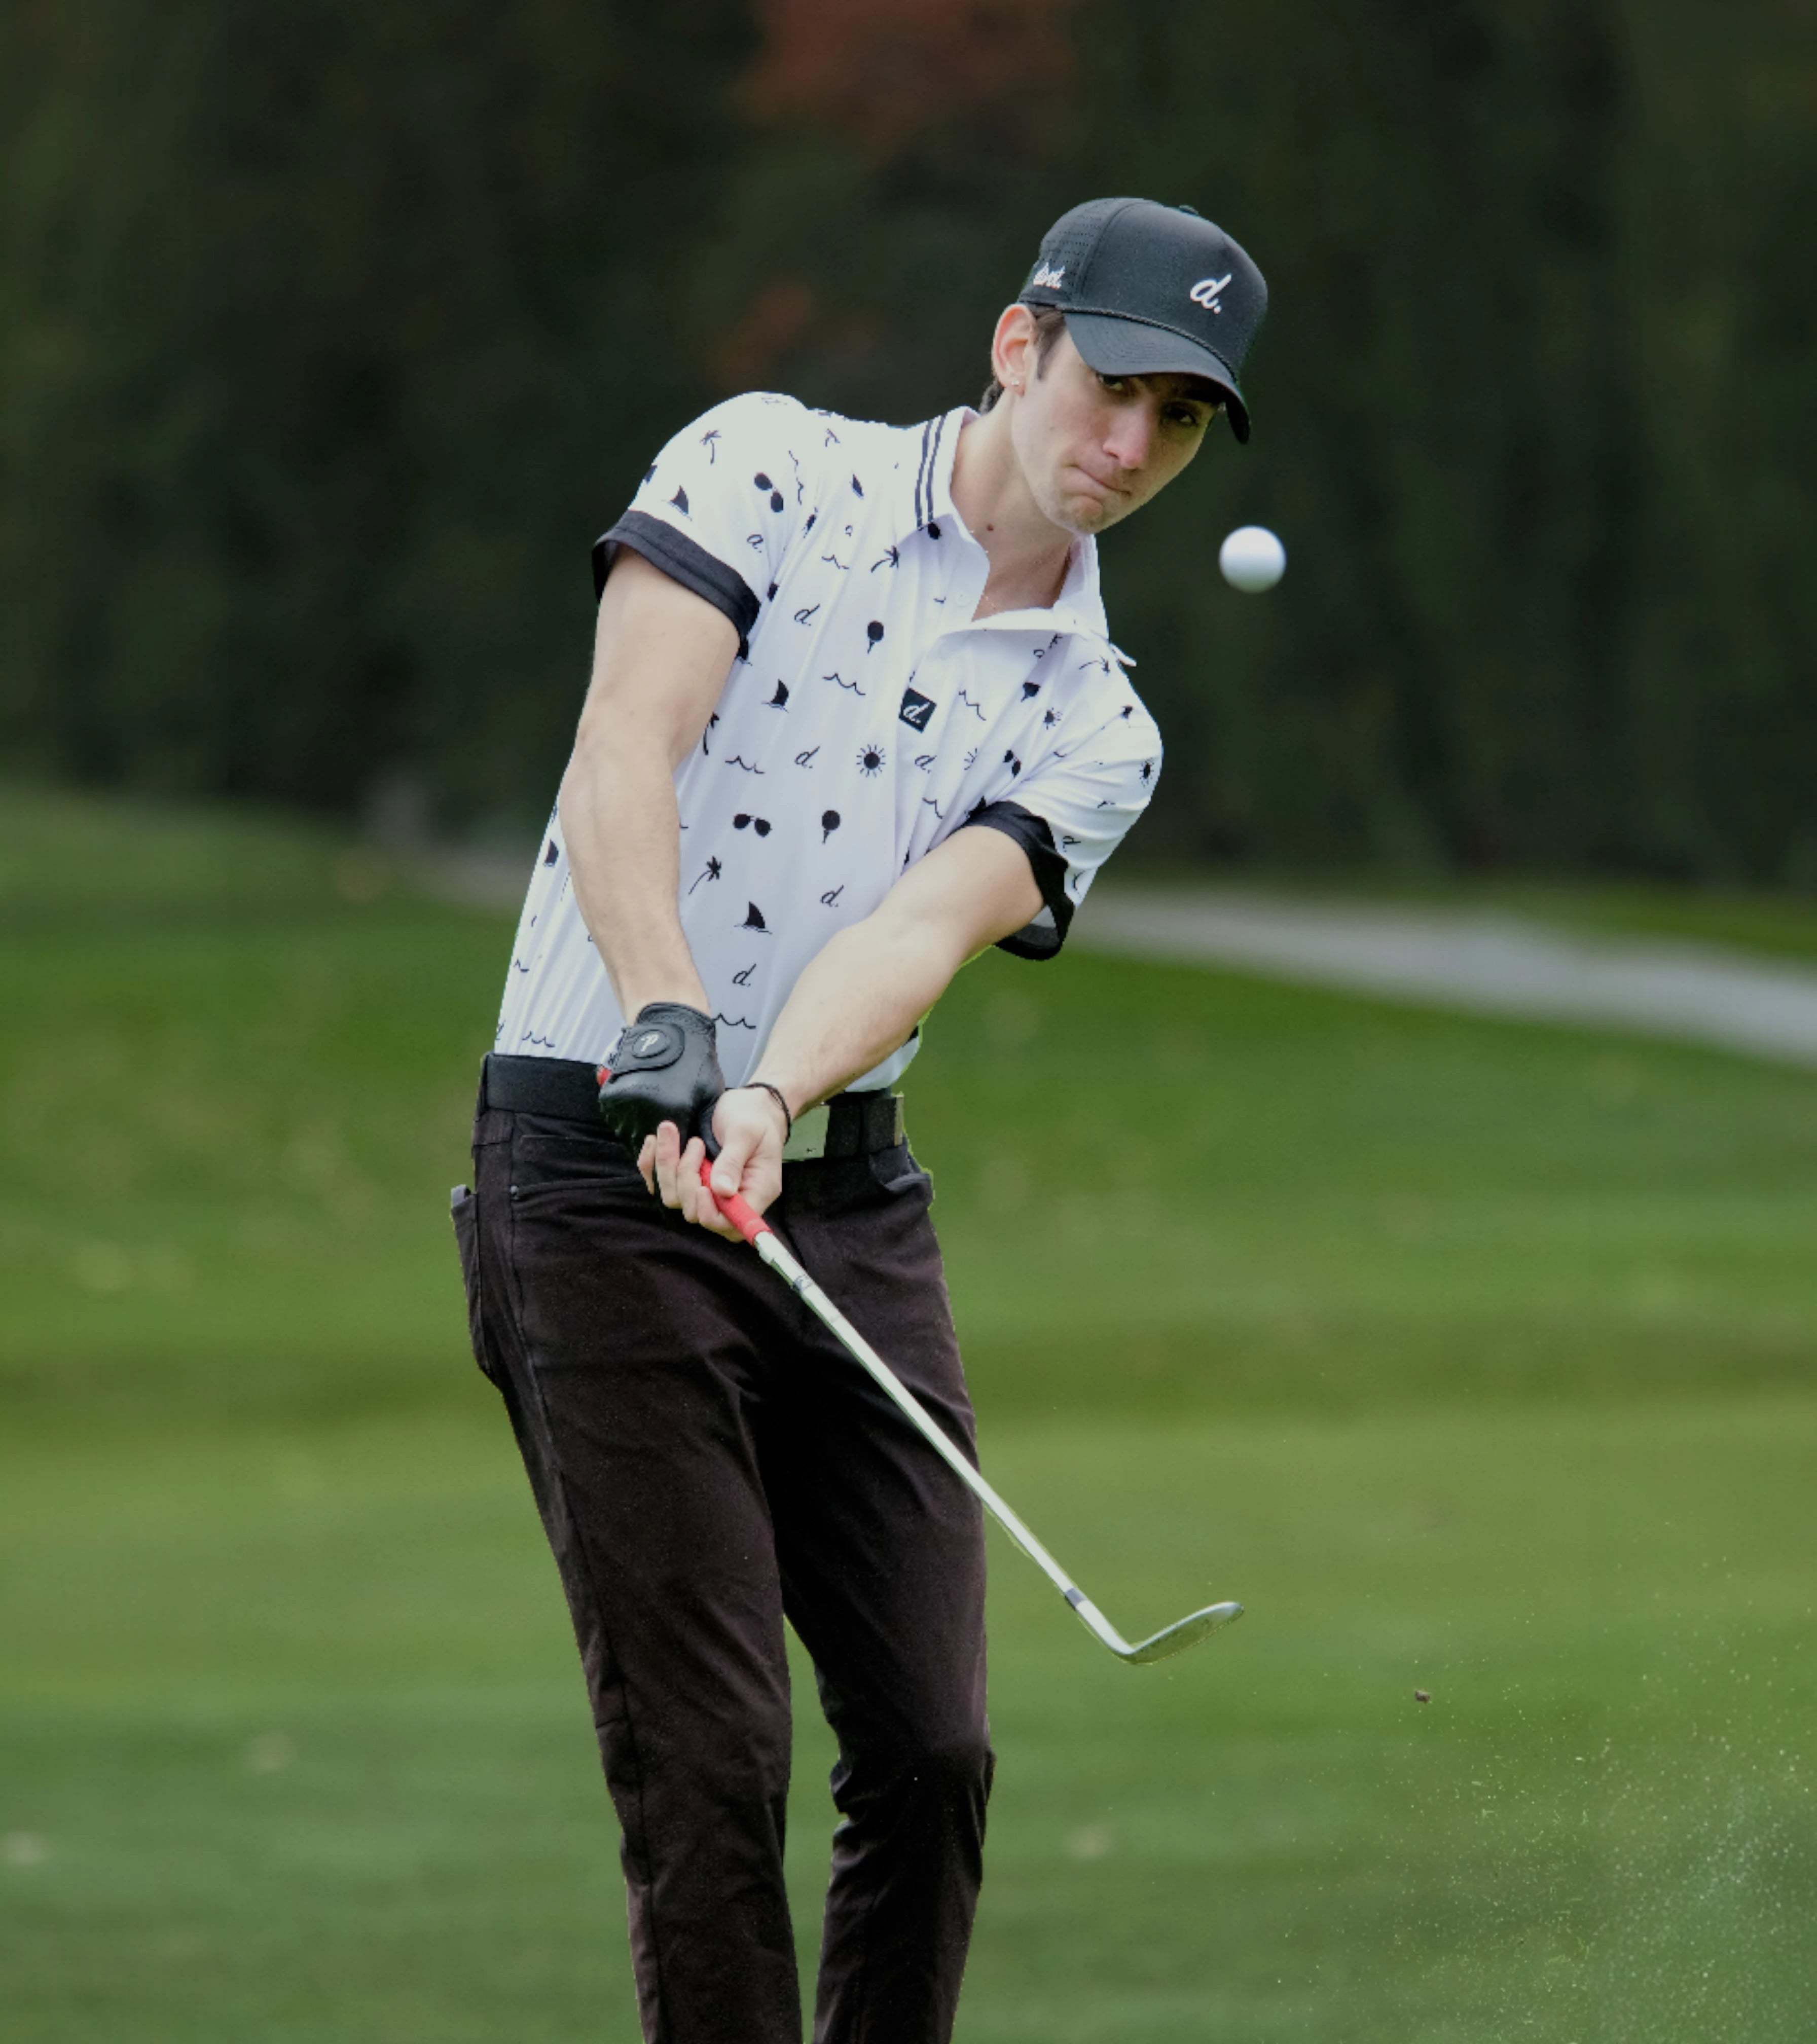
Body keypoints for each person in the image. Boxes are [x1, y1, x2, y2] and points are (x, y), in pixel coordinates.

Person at [452, 196, 1267, 2044]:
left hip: (835, 1198)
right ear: (1016, 344)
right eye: (1110, 387)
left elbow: (917, 930)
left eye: (1181, 420)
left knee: (934, 1749)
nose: (1128, 448)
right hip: (589, 1178)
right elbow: (625, 747)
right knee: (711, 1759)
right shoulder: (766, 465)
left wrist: (760, 1085)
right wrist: (669, 1016)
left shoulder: (1100, 723)